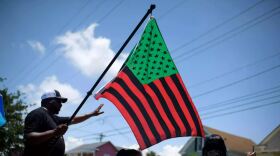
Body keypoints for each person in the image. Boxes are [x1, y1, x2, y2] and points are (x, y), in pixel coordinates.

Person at [23, 90, 104, 156]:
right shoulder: (38, 113)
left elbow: (73, 119)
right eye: (59, 101)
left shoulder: (54, 118)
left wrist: (91, 114)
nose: (61, 105)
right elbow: (29, 138)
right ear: (50, 101)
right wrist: (54, 132)